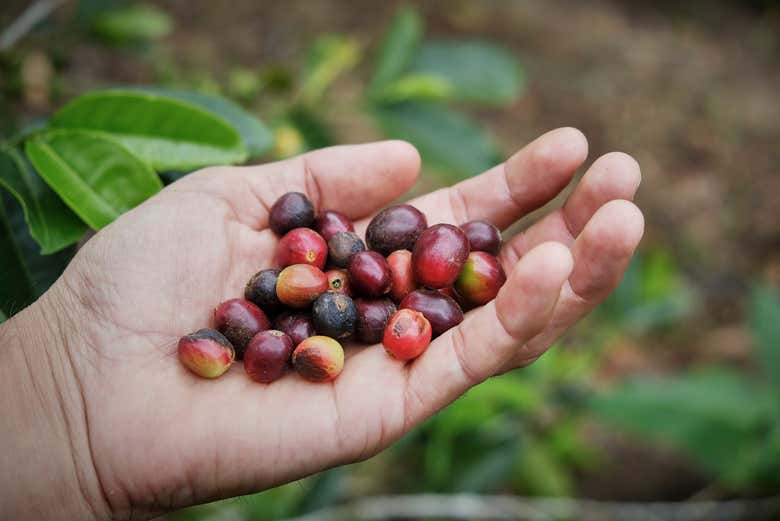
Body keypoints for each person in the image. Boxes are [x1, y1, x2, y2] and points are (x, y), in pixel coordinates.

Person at [0, 128, 643, 520]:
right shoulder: (307, 287)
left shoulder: (372, 287)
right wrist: (66, 397)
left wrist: (68, 414)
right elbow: (304, 301)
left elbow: (353, 290)